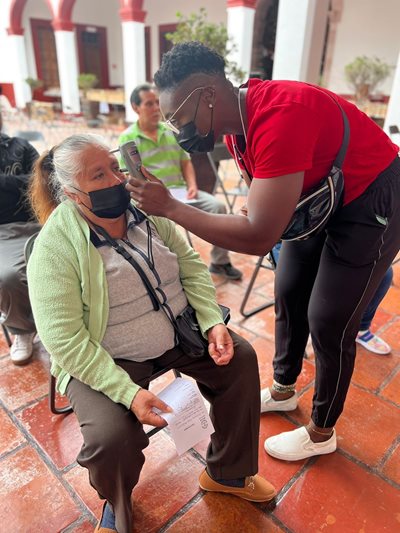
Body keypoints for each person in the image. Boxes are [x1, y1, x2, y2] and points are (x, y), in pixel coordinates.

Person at [126, 42, 400, 462]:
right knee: (289, 292)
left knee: (329, 320)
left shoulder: (281, 114)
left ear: (209, 95)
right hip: (320, 196)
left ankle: (322, 430)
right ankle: (285, 388)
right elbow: (264, 200)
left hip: (372, 198)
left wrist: (170, 207)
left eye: (179, 118)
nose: (178, 131)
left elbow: (257, 238)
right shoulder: (236, 124)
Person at [27, 134, 276, 533]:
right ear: (74, 194)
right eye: (99, 175)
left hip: (180, 332)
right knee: (112, 439)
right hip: (109, 356)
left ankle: (227, 473)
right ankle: (117, 505)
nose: (117, 180)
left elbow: (191, 266)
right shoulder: (55, 246)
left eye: (114, 167)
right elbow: (64, 340)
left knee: (241, 360)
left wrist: (212, 321)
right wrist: (128, 393)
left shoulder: (149, 213)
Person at [118, 83, 243, 280]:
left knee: (218, 206)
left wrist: (192, 185)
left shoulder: (171, 130)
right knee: (153, 224)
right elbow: (129, 178)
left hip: (181, 193)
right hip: (154, 198)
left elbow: (186, 163)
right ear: (135, 107)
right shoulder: (128, 139)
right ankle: (170, 274)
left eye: (156, 103)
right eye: (148, 104)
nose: (155, 109)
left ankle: (220, 262)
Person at [273, 242, 393, 355]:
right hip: (291, 240)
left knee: (384, 272)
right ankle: (314, 330)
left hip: (331, 236)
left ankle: (361, 328)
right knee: (321, 283)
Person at [0, 110, 40, 364]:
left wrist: (3, 183)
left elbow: (40, 180)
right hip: (3, 233)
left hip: (38, 223)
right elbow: (25, 183)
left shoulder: (21, 147)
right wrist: (18, 185)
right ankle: (23, 330)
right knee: (9, 277)